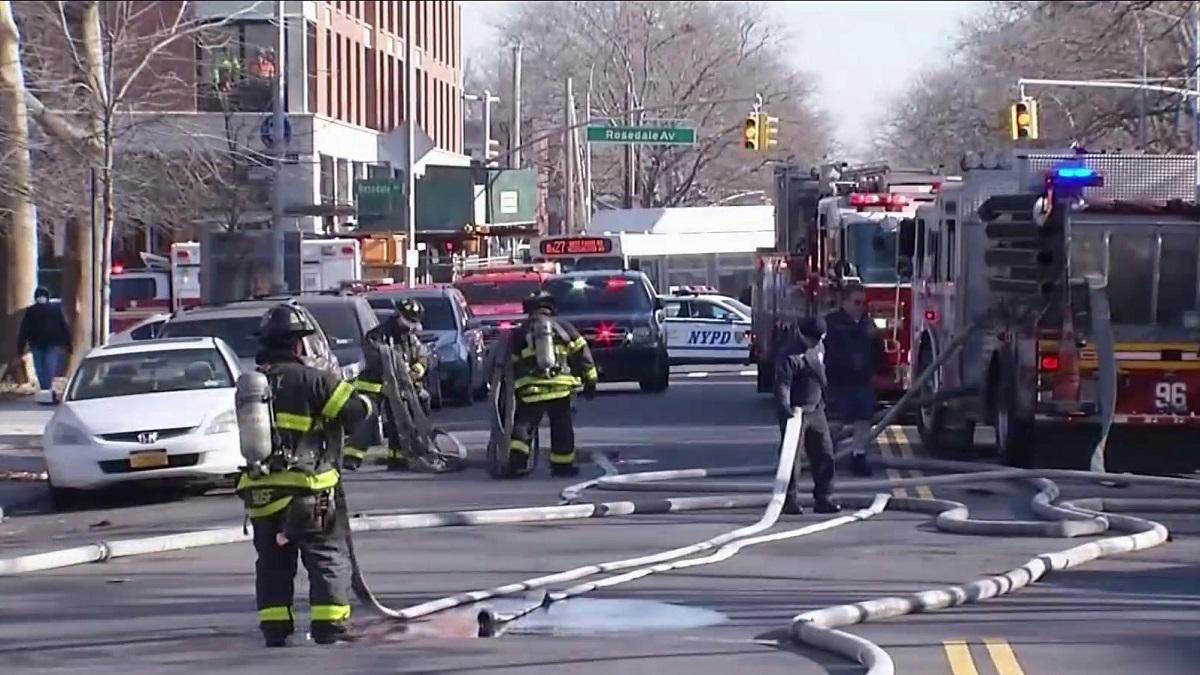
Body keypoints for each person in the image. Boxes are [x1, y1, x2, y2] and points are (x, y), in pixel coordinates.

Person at [234, 302, 371, 648]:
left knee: (272, 564)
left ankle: (275, 628)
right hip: (308, 491)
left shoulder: (253, 386)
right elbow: (357, 411)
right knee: (327, 556)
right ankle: (329, 626)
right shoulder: (312, 379)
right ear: (298, 345)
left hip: (261, 494)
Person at [505, 291, 598, 477]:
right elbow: (582, 353)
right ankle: (562, 466)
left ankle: (517, 462)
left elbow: (511, 363)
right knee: (562, 427)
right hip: (561, 389)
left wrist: (513, 388)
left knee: (524, 426)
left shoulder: (521, 332)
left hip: (530, 389)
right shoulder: (564, 327)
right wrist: (591, 380)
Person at [345, 298, 430, 471]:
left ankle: (398, 458)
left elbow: (422, 355)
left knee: (400, 421)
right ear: (398, 315)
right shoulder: (377, 335)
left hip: (399, 387)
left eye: (414, 322)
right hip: (374, 385)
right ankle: (351, 457)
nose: (411, 326)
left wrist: (418, 368)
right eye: (409, 320)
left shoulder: (410, 338)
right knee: (368, 419)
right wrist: (397, 365)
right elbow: (374, 357)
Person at [774, 316, 841, 516]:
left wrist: (828, 401)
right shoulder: (789, 356)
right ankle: (789, 499)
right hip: (796, 412)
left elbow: (823, 375)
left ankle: (824, 497)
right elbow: (783, 385)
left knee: (824, 454)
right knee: (792, 459)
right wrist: (785, 408)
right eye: (812, 340)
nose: (816, 343)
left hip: (816, 408)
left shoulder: (819, 347)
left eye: (819, 339)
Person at [823, 282, 887, 477]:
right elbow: (822, 352)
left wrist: (883, 371)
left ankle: (858, 455)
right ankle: (824, 456)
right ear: (844, 302)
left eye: (863, 303)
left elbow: (877, 350)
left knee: (863, 420)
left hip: (862, 380)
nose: (860, 307)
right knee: (835, 422)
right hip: (838, 380)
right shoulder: (831, 323)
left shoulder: (868, 325)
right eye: (856, 302)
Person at [17, 287, 70, 402]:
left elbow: (24, 330)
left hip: (38, 344)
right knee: (47, 368)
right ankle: (48, 391)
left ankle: (46, 390)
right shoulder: (55, 310)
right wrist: (68, 344)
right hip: (51, 343)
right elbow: (64, 327)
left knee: (41, 369)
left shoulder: (31, 311)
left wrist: (20, 348)